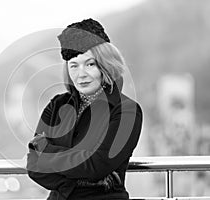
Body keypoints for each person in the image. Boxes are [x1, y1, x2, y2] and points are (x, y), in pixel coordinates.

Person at [26, 18, 143, 200]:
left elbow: (98, 165)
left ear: (105, 65)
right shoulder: (56, 105)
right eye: (74, 65)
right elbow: (34, 165)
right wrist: (72, 181)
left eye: (90, 64)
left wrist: (48, 153)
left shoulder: (127, 111)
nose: (81, 74)